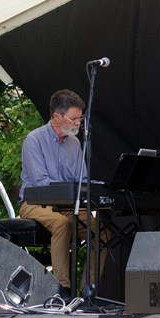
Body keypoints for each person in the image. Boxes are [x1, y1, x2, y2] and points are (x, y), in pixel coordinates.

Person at [19, 89, 108, 298]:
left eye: (80, 118)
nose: (79, 123)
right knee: (62, 224)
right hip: (35, 203)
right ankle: (61, 291)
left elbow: (82, 181)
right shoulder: (34, 140)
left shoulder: (75, 143)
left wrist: (100, 187)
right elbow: (42, 186)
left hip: (67, 205)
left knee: (102, 232)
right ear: (57, 116)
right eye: (75, 118)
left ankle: (89, 290)